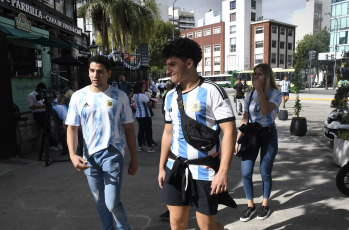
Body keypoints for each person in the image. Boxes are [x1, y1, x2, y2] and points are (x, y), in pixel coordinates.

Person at [158, 38, 237, 230]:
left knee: (206, 226)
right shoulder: (170, 96)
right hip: (175, 167)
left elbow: (229, 131)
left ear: (189, 63)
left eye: (172, 64)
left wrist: (223, 172)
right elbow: (168, 133)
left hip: (205, 169)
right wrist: (161, 166)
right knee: (176, 223)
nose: (168, 71)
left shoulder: (212, 91)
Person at [65, 55, 138, 230]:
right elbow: (72, 128)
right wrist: (73, 155)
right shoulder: (78, 96)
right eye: (92, 71)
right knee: (99, 201)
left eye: (100, 71)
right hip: (89, 157)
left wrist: (134, 158)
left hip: (112, 153)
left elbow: (128, 128)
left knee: (112, 203)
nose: (95, 75)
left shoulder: (119, 96)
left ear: (109, 73)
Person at [234, 63, 282, 222]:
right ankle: (250, 205)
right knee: (246, 172)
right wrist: (237, 138)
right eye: (254, 74)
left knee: (265, 172)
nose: (256, 77)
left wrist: (260, 91)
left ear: (267, 76)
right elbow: (245, 117)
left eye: (259, 74)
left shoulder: (276, 93)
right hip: (252, 134)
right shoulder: (249, 95)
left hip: (268, 134)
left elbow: (266, 110)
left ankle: (265, 204)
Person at [27, 82, 61, 151]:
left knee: (49, 129)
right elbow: (30, 106)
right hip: (38, 114)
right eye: (41, 91)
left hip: (45, 112)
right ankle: (54, 144)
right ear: (38, 89)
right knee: (46, 129)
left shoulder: (43, 94)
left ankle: (53, 144)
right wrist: (41, 106)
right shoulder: (31, 95)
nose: (42, 93)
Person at [133, 82, 157, 153]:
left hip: (138, 115)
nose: (144, 87)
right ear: (140, 87)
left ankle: (140, 146)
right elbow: (149, 104)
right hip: (145, 115)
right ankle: (150, 147)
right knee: (148, 131)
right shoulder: (143, 96)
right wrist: (153, 102)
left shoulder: (135, 95)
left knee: (141, 131)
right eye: (143, 86)